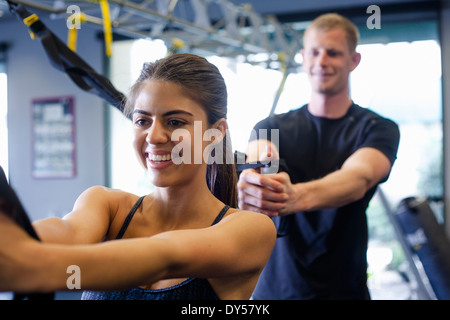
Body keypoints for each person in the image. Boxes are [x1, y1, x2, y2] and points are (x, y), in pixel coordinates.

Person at [0, 53, 276, 300]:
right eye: (142, 121)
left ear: (215, 132)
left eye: (175, 122)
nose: (154, 137)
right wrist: (19, 239)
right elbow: (67, 231)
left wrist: (33, 264)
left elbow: (165, 256)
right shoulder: (107, 206)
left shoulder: (250, 230)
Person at [237, 13, 400, 299]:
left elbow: (358, 178)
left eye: (333, 53)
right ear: (303, 57)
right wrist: (257, 177)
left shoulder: (377, 128)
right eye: (314, 52)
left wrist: (293, 196)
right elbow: (259, 155)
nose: (321, 61)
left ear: (354, 61)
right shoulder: (271, 127)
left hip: (343, 290)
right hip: (275, 291)